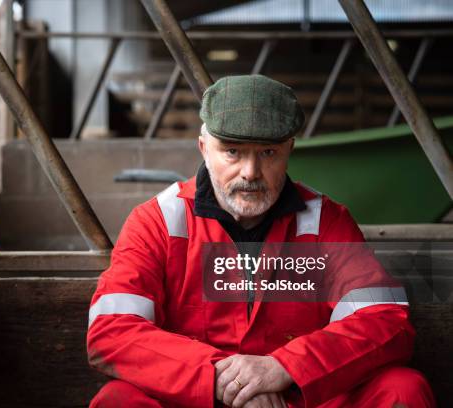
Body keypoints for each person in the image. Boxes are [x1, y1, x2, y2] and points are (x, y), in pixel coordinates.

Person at [86, 75, 435, 407]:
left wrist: (284, 368)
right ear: (204, 148)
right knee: (118, 401)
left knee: (402, 389)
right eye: (233, 152)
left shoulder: (326, 222)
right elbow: (112, 331)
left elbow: (385, 320)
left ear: (289, 149)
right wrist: (221, 379)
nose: (250, 172)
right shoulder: (157, 222)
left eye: (268, 153)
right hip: (195, 400)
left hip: (297, 399)